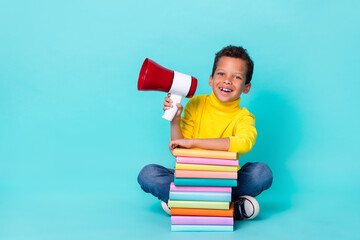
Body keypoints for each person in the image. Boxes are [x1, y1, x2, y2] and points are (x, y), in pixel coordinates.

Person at [137, 45, 273, 220]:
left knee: (261, 172)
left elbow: (243, 143)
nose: (227, 80)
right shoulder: (195, 104)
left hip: (225, 180)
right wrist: (175, 121)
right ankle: (232, 206)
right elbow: (179, 150)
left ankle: (182, 203)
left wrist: (195, 143)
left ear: (246, 87)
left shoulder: (244, 117)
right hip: (190, 178)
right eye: (221, 74)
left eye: (237, 77)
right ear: (210, 79)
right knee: (148, 174)